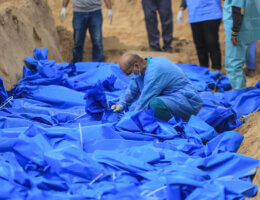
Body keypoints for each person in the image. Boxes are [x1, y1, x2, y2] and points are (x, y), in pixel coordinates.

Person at [111, 53, 203, 122]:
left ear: (136, 65)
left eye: (128, 73)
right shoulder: (142, 66)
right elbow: (132, 89)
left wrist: (129, 120)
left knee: (155, 104)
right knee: (134, 106)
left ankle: (175, 127)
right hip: (170, 97)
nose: (128, 76)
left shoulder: (154, 73)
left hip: (186, 100)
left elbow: (144, 101)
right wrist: (122, 104)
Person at [223, 0, 260, 90]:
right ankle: (241, 91)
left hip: (238, 32)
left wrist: (235, 32)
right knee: (238, 65)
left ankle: (239, 95)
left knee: (233, 66)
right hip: (246, 29)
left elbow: (237, 9)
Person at [177, 0, 222, 72]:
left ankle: (216, 69)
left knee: (212, 44)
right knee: (199, 46)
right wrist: (181, 8)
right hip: (194, 15)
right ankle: (204, 70)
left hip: (211, 13)